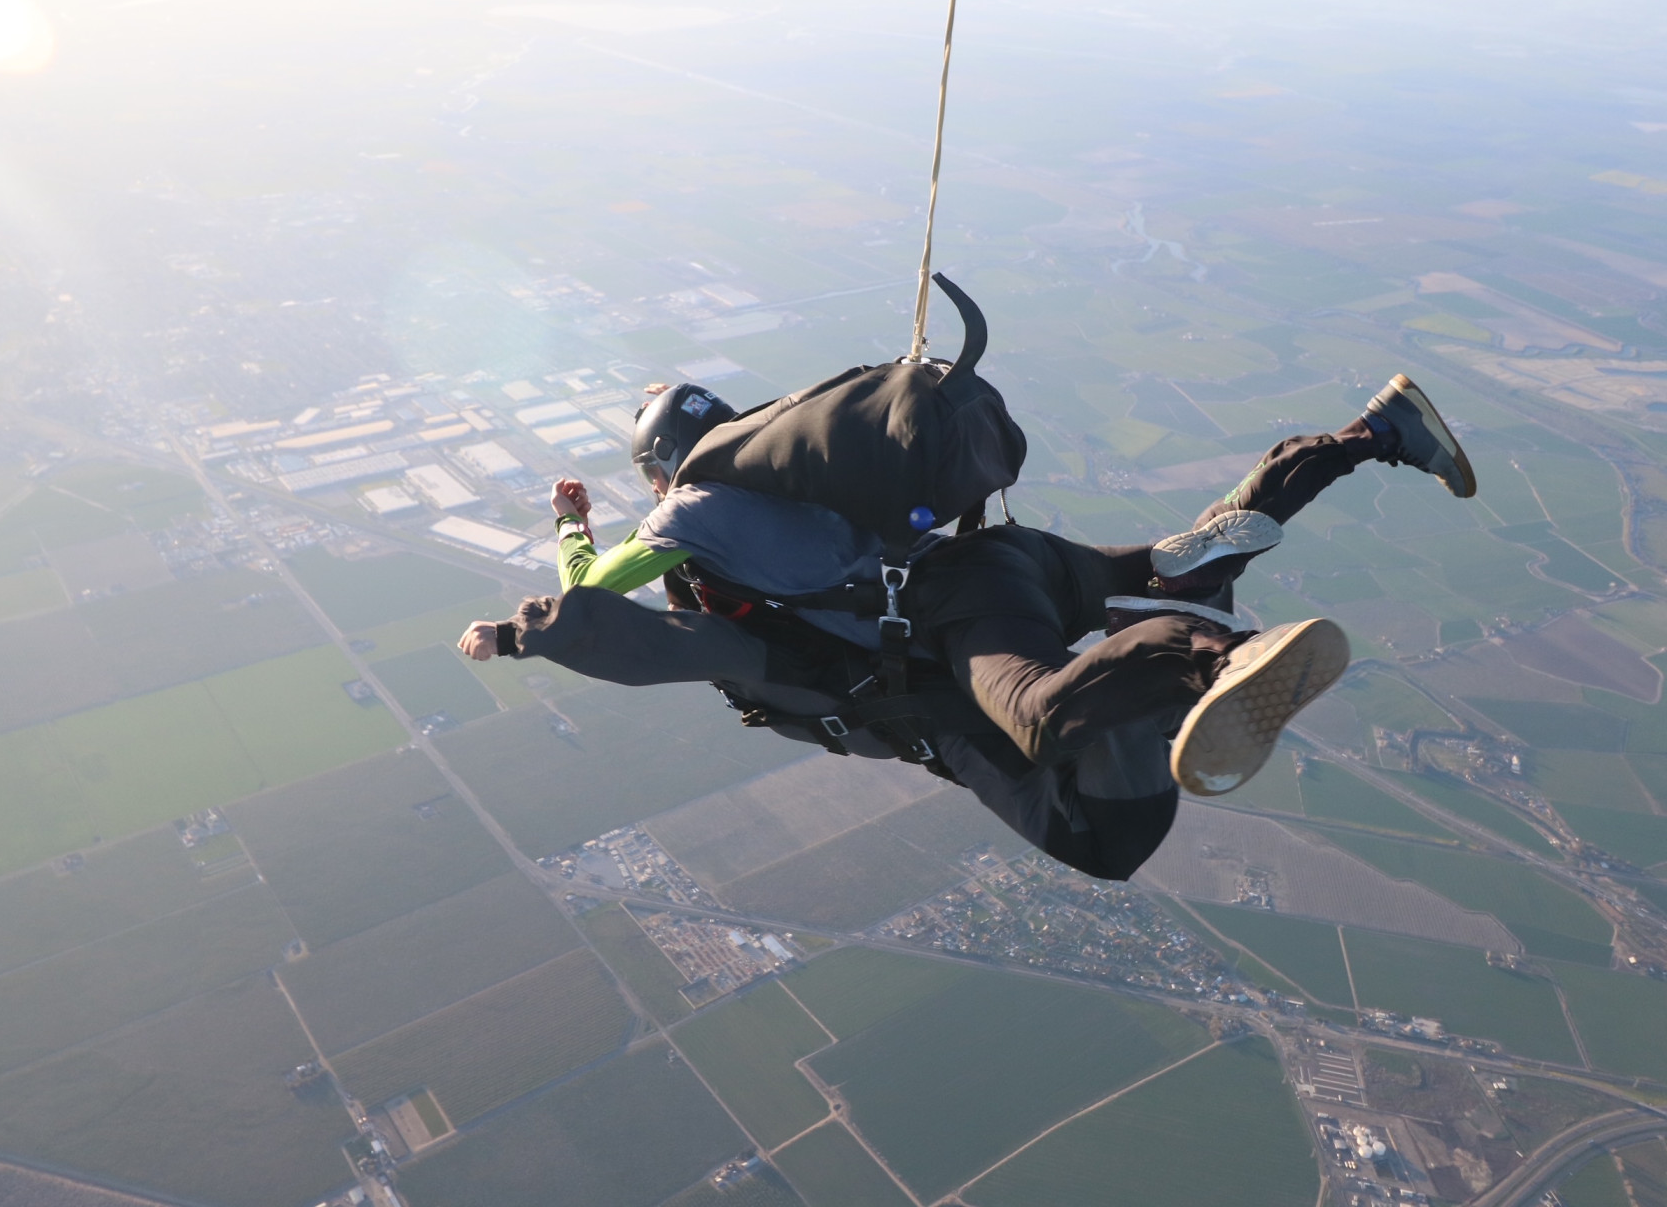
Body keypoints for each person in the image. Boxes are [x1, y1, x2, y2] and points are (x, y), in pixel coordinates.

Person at [458, 372, 1476, 882]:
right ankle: (1377, 429)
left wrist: (543, 597)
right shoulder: (800, 469)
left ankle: (1214, 656)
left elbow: (621, 612)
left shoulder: (690, 519)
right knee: (1194, 554)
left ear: (661, 466)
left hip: (952, 611)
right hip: (1004, 559)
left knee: (1036, 714)